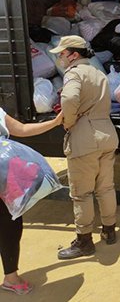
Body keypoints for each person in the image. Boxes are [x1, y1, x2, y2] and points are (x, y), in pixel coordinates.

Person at [49, 36, 119, 260]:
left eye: (62, 53)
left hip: (84, 138)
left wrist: (68, 122)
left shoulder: (74, 73)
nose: (60, 57)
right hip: (107, 134)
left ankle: (84, 241)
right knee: (106, 187)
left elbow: (69, 99)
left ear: (74, 54)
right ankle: (109, 230)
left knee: (81, 193)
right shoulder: (99, 74)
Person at [0, 108, 63, 295]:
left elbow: (22, 129)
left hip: (3, 177)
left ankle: (11, 277)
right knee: (9, 224)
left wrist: (54, 123)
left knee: (10, 222)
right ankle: (11, 278)